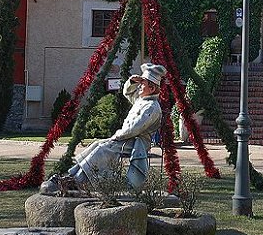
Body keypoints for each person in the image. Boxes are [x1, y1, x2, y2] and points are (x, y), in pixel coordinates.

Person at [40, 63, 167, 194]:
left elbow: (134, 129)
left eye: (143, 84)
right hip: (127, 139)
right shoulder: (142, 100)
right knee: (97, 144)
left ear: (151, 89)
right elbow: (127, 93)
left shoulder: (151, 107)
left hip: (136, 143)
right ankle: (72, 175)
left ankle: (76, 180)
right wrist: (132, 81)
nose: (139, 86)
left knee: (103, 149)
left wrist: (115, 137)